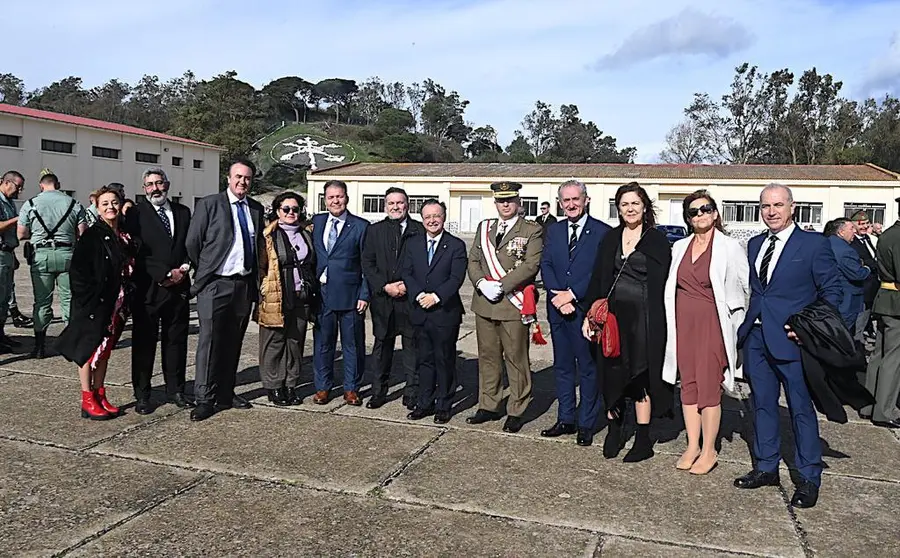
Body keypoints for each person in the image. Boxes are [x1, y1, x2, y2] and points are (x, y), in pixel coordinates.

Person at [733, 183, 842, 509]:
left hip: (794, 342)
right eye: (766, 206)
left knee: (800, 410)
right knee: (762, 406)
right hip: (756, 340)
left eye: (778, 205)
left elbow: (833, 292)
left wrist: (811, 329)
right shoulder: (754, 245)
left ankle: (809, 477)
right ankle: (766, 467)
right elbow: (758, 292)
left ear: (792, 207)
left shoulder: (813, 245)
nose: (771, 211)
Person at [582, 182, 672, 462]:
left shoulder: (656, 240)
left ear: (644, 207)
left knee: (639, 378)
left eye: (635, 203)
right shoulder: (610, 238)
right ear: (618, 209)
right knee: (612, 373)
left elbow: (666, 283)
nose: (630, 209)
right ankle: (614, 429)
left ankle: (643, 439)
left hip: (645, 320)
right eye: (624, 204)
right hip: (613, 319)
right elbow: (598, 278)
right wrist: (589, 316)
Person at [662, 190, 749, 475]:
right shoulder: (679, 247)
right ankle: (692, 445)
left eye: (705, 209)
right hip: (683, 324)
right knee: (687, 384)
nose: (700, 215)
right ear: (687, 218)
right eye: (693, 211)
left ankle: (710, 448)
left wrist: (739, 327)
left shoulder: (729, 247)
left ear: (714, 213)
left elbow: (743, 289)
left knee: (709, 387)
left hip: (713, 324)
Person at [185, 159, 265, 422]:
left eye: (247, 178)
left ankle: (226, 393)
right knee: (209, 343)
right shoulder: (210, 204)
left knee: (233, 342)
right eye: (238, 177)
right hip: (215, 284)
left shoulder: (254, 208)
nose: (242, 182)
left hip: (242, 285)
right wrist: (206, 269)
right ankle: (205, 398)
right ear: (228, 179)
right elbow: (193, 242)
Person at [466, 181, 543, 433]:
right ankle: (489, 404)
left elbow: (531, 265)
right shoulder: (484, 227)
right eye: (501, 200)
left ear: (518, 201)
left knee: (516, 358)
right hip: (484, 303)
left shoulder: (532, 229)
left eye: (510, 199)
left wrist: (501, 285)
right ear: (495, 202)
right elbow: (474, 259)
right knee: (488, 357)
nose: (505, 204)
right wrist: (479, 282)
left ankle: (517, 408)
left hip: (512, 303)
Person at [539, 180, 610, 446]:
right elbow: (546, 264)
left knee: (588, 368)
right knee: (563, 366)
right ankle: (566, 418)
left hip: (584, 311)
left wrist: (573, 294)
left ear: (586, 200)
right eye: (565, 200)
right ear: (560, 203)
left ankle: (586, 423)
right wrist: (558, 296)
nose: (571, 204)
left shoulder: (602, 232)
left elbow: (600, 272)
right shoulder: (554, 231)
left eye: (575, 199)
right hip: (558, 309)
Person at [56, 186, 136, 420]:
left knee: (105, 352)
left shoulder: (122, 234)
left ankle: (100, 394)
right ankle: (87, 397)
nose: (110, 207)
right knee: (89, 351)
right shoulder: (92, 235)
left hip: (116, 304)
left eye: (114, 202)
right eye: (105, 204)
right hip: (94, 305)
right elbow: (79, 273)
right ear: (97, 207)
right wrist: (89, 300)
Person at [126, 168, 194, 414]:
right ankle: (143, 394)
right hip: (149, 289)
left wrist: (184, 269)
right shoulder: (134, 214)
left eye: (159, 183)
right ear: (144, 188)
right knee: (144, 343)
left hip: (179, 289)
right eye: (150, 184)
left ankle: (176, 389)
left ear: (167, 184)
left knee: (176, 341)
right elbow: (136, 250)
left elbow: (190, 245)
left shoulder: (183, 212)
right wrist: (165, 275)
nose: (155, 188)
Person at [401, 199, 467, 423]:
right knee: (424, 360)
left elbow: (456, 278)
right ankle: (424, 402)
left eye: (436, 216)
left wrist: (436, 297)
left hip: (444, 313)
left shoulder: (456, 245)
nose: (432, 220)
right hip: (419, 311)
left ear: (444, 217)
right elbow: (407, 273)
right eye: (427, 216)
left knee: (444, 359)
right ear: (422, 218)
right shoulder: (412, 243)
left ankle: (444, 404)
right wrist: (419, 295)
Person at [361, 187, 425, 410]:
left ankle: (412, 392)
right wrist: (384, 286)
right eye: (391, 203)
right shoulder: (374, 230)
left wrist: (410, 285)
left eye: (400, 203)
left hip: (410, 300)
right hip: (384, 300)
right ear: (385, 206)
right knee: (382, 348)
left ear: (407, 204)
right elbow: (367, 263)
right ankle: (379, 391)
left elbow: (425, 264)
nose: (396, 207)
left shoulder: (419, 230)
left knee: (412, 348)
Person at [311, 180, 370, 406]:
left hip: (350, 295)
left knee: (352, 345)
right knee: (323, 344)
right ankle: (323, 387)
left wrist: (364, 295)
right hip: (322, 294)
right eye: (331, 197)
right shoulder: (317, 222)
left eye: (339, 196)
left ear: (346, 198)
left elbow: (367, 264)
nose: (335, 201)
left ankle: (351, 388)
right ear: (325, 199)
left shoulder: (360, 226)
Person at [17, 171, 88, 358]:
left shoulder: (30, 204)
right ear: (58, 184)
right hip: (67, 255)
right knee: (68, 300)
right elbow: (83, 233)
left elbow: (21, 234)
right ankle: (70, 346)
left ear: (41, 185)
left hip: (41, 255)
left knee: (41, 302)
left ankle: (39, 347)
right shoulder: (73, 203)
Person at [256, 192, 317, 406]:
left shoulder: (307, 233)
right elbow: (261, 267)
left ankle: (291, 384)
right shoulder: (268, 236)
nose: (291, 213)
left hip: (301, 296)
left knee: (294, 342)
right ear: (277, 211)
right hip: (276, 295)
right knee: (273, 343)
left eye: (295, 209)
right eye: (286, 209)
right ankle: (274, 386)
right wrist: (263, 290)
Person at [860, 197, 900, 429]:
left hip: (885, 299)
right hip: (896, 302)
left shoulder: (888, 234)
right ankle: (885, 410)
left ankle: (869, 404)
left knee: (879, 355)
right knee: (893, 359)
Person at [824, 218, 870, 333]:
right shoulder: (845, 251)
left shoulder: (826, 243)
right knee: (842, 334)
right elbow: (857, 274)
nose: (854, 231)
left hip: (830, 298)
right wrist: (866, 268)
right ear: (841, 232)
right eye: (851, 228)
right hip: (846, 301)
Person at [0, 171, 24, 351]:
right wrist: (18, 218)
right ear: (6, 182)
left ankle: (1, 335)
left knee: (5, 298)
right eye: (18, 186)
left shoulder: (9, 202)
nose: (19, 191)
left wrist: (14, 255)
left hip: (8, 252)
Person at [850, 211, 879, 343]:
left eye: (867, 223)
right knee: (858, 325)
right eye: (861, 224)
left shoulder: (868, 238)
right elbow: (863, 262)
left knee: (866, 319)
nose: (865, 227)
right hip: (861, 287)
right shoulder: (851, 241)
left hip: (872, 287)